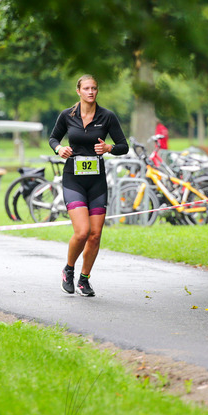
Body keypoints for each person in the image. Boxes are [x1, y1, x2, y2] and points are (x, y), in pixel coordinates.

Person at [49, 75, 128, 296]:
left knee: (95, 234)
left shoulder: (107, 116)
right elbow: (53, 139)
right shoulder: (67, 115)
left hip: (97, 181)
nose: (90, 92)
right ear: (78, 91)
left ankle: (84, 279)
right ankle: (69, 269)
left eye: (94, 88)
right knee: (82, 232)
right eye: (86, 88)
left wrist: (109, 149)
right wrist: (59, 149)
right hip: (73, 178)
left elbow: (124, 146)